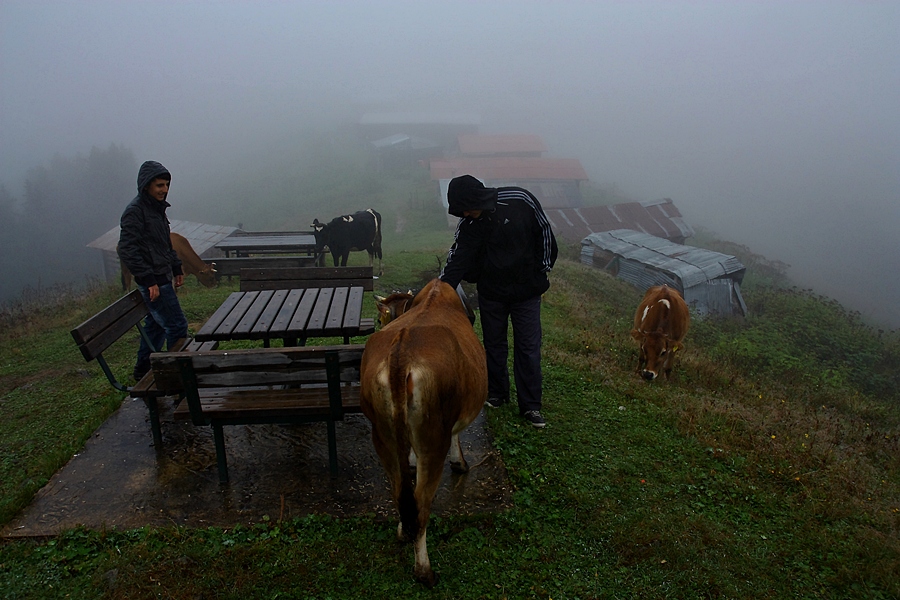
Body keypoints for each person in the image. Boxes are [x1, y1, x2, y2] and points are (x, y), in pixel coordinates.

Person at [439, 174, 558, 428]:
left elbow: (544, 232)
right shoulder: (469, 224)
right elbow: (458, 257)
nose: (465, 215)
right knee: (494, 345)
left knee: (527, 348)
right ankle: (497, 394)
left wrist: (542, 269)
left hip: (526, 292)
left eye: (466, 208)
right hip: (492, 293)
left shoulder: (520, 200)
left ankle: (531, 406)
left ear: (477, 199)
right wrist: (441, 288)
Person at [118, 160, 189, 381]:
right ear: (147, 185)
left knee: (156, 327)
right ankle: (175, 377)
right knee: (177, 327)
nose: (164, 190)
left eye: (167, 184)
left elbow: (164, 244)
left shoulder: (156, 210)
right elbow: (128, 250)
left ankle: (143, 370)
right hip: (154, 282)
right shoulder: (135, 212)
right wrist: (148, 280)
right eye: (159, 185)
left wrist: (176, 266)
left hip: (162, 276)